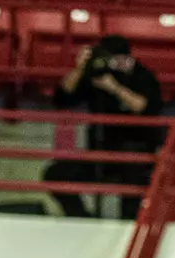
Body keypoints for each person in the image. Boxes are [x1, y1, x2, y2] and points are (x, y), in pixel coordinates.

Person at [43, 34, 164, 220]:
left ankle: (129, 228)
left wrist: (114, 88)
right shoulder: (95, 75)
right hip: (99, 152)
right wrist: (79, 68)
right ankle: (81, 219)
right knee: (56, 173)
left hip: (134, 154)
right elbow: (62, 98)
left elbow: (144, 107)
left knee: (134, 185)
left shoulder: (143, 76)